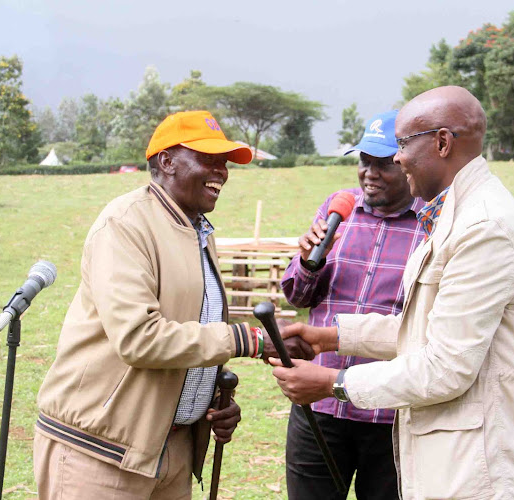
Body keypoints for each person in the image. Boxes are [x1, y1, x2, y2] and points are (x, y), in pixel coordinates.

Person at [271, 86, 514, 499]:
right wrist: (332, 337)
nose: (398, 158)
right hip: (457, 451)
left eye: (402, 146)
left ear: (442, 143)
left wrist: (333, 382)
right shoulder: (456, 214)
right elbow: (426, 330)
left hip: (483, 465)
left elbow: (445, 366)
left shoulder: (482, 228)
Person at [33, 110, 313, 500]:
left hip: (169, 452)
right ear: (166, 161)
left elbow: (189, 324)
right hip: (102, 452)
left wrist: (210, 398)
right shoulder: (125, 224)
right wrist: (248, 339)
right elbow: (139, 339)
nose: (222, 172)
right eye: (209, 159)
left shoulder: (197, 231)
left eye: (225, 163)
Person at [280, 109, 424, 500]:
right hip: (320, 405)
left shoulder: (431, 226)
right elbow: (296, 296)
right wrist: (311, 260)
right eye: (364, 161)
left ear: (409, 165)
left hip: (389, 412)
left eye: (383, 164)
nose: (369, 173)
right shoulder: (338, 209)